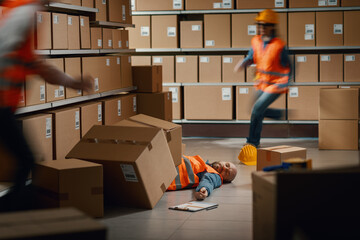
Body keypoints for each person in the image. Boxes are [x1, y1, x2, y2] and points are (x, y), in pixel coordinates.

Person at [0, 0, 94, 212]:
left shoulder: (23, 12)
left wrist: (72, 83)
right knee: (26, 161)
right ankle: (13, 218)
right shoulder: (24, 12)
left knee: (26, 161)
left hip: (5, 107)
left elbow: (37, 65)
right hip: (1, 106)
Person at [234, 9, 291, 164]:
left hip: (276, 85)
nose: (261, 27)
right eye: (259, 24)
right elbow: (251, 57)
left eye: (264, 25)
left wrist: (287, 81)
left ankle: (252, 142)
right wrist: (244, 63)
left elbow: (289, 66)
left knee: (257, 109)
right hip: (261, 83)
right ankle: (278, 115)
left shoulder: (279, 45)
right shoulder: (256, 41)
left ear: (272, 26)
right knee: (255, 111)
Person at [167, 155, 237, 200]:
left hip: (168, 171)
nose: (224, 167)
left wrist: (204, 189)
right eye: (227, 165)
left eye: (227, 173)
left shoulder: (215, 175)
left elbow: (209, 181)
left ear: (224, 180)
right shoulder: (205, 165)